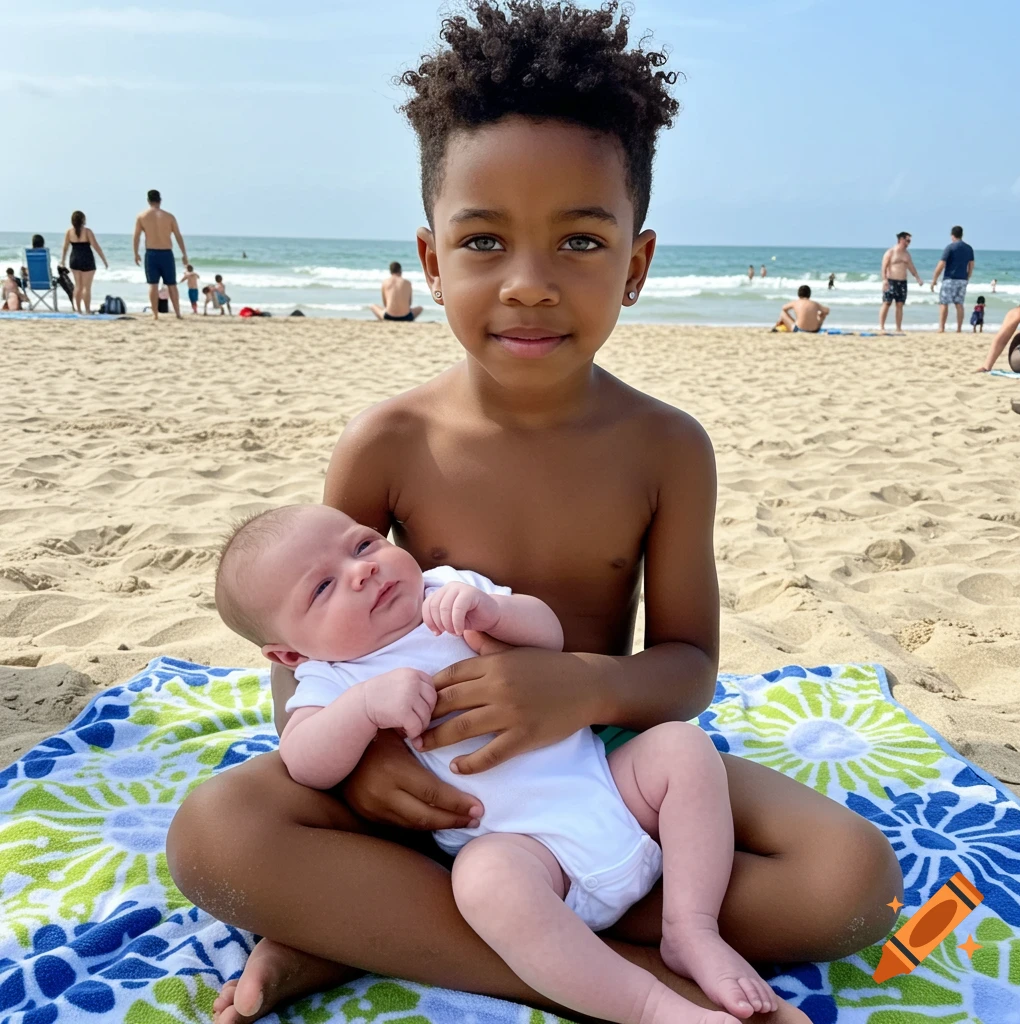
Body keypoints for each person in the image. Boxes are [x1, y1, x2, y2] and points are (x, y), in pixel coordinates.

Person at [166, 6, 901, 1024]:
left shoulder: (666, 447)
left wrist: (575, 689)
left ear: (636, 266)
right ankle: (621, 983)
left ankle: (358, 930)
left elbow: (686, 667)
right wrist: (373, 765)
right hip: (441, 786)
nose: (527, 283)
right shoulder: (384, 440)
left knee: (850, 877)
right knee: (215, 830)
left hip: (596, 761)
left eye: (580, 240)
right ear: (430, 260)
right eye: (482, 240)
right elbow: (299, 664)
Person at [216, 504, 778, 1023]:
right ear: (290, 654)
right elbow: (305, 760)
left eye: (362, 546)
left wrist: (495, 610)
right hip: (527, 854)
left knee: (681, 746)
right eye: (322, 587)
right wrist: (362, 709)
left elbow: (548, 634)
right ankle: (652, 1006)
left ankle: (691, 927)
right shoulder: (330, 678)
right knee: (484, 883)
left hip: (609, 788)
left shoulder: (451, 591)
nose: (360, 572)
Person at [133, 188, 188, 321]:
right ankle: (178, 313)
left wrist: (136, 253)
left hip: (151, 253)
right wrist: (184, 253)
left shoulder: (142, 216)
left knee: (153, 284)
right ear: (160, 200)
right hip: (166, 253)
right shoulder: (169, 216)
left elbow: (136, 236)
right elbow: (178, 236)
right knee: (172, 284)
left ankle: (155, 314)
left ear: (148, 200)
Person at [60, 211, 109, 315]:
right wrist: (104, 260)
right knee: (87, 287)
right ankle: (87, 310)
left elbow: (65, 247)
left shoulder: (69, 232)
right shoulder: (87, 232)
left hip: (74, 259)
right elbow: (96, 246)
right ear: (83, 220)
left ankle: (78, 310)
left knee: (78, 286)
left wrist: (63, 260)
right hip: (87, 259)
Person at [930, 225, 975, 333]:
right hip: (962, 279)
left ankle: (942, 328)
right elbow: (971, 264)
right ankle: (959, 328)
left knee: (944, 303)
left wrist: (934, 279)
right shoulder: (968, 248)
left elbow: (941, 264)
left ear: (952, 235)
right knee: (959, 304)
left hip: (949, 279)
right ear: (962, 234)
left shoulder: (950, 247)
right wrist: (968, 276)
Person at [878, 231, 923, 332]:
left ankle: (898, 327)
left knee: (900, 305)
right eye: (907, 240)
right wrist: (884, 280)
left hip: (902, 282)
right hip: (891, 281)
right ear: (901, 240)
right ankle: (881, 326)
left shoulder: (907, 254)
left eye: (909, 241)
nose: (908, 243)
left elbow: (911, 267)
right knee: (886, 303)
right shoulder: (890, 252)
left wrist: (917, 278)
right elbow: (884, 267)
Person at [976, 299, 1020, 373]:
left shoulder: (1019, 311)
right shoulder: (1019, 312)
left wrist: (986, 367)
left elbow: (1002, 339)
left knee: (1018, 337)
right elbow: (1002, 339)